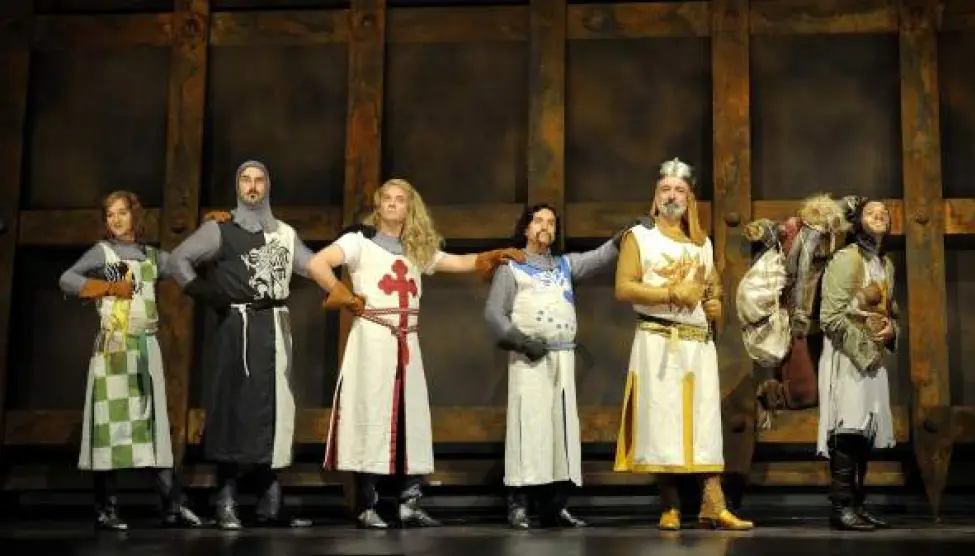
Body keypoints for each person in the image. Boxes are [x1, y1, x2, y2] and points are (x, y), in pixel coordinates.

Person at [309, 178, 525, 529]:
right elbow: (317, 264)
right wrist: (344, 295)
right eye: (387, 198)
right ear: (378, 205)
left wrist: (492, 255)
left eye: (400, 199)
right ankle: (367, 504)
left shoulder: (415, 250)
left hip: (407, 342)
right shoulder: (358, 242)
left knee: (411, 419)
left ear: (410, 207)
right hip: (373, 340)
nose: (393, 203)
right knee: (372, 415)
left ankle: (408, 502)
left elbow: (456, 262)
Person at [483, 203, 651, 529]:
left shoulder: (564, 265)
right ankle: (519, 504)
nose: (545, 226)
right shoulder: (512, 267)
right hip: (529, 361)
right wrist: (521, 342)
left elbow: (600, 257)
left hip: (562, 358)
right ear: (526, 228)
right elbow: (493, 314)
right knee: (529, 428)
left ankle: (555, 506)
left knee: (561, 431)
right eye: (538, 221)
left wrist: (624, 235)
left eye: (551, 222)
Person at [166, 160, 313, 529]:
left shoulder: (283, 233)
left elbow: (313, 265)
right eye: (245, 179)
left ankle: (269, 499)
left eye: (259, 179)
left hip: (274, 329)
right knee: (233, 406)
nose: (252, 186)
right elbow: (178, 260)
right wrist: (208, 294)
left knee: (271, 409)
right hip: (238, 328)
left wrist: (355, 246)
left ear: (268, 186)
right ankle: (226, 498)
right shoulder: (221, 229)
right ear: (237, 186)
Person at [611, 158, 753, 531]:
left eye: (679, 190)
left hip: (698, 344)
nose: (672, 195)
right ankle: (670, 505)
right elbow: (623, 287)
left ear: (689, 198)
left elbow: (713, 286)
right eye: (665, 189)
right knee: (663, 423)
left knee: (704, 423)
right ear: (655, 197)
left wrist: (715, 303)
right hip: (658, 340)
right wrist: (671, 292)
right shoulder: (639, 237)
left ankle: (713, 504)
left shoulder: (700, 243)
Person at [59, 190, 203, 531]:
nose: (116, 219)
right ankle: (106, 509)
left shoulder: (151, 256)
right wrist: (107, 288)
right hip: (114, 348)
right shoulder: (103, 253)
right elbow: (67, 279)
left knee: (154, 429)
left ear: (135, 215)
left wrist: (211, 230)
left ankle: (174, 505)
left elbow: (183, 261)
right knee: (110, 427)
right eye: (110, 214)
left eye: (122, 212)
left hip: (145, 347)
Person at [817, 196, 898, 532]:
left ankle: (858, 504)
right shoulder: (846, 259)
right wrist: (863, 348)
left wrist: (892, 330)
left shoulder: (885, 264)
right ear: (857, 221)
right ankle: (841, 507)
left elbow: (890, 310)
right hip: (847, 355)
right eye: (871, 212)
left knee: (866, 431)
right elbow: (830, 317)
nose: (879, 215)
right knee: (848, 428)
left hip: (872, 357)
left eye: (884, 213)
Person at [743, 195, 852, 423]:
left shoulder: (838, 237)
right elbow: (774, 232)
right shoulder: (796, 231)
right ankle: (771, 394)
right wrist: (762, 230)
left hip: (828, 319)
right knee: (804, 391)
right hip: (797, 320)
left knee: (829, 387)